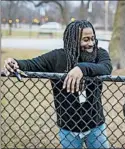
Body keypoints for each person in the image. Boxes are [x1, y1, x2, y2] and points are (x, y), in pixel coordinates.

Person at [3, 20, 112, 148]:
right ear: (73, 41)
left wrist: (82, 68)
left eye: (92, 38)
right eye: (85, 39)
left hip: (96, 125)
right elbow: (32, 64)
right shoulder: (57, 57)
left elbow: (106, 67)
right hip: (68, 128)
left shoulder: (100, 54)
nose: (91, 43)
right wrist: (14, 62)